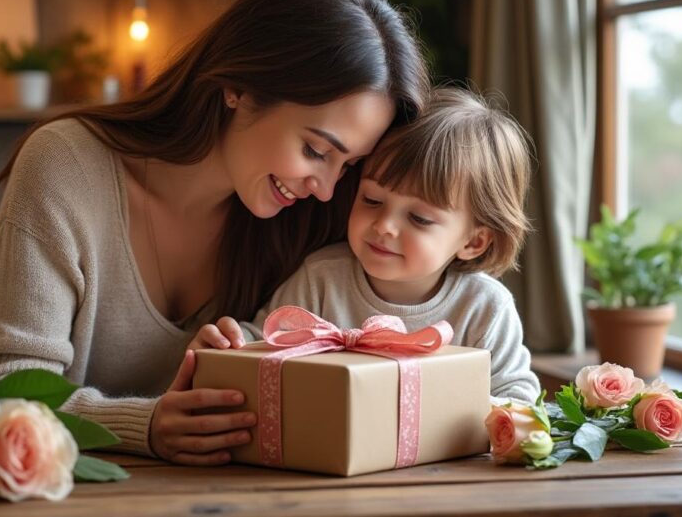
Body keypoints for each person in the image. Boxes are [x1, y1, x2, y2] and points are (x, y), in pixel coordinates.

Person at [0, 0, 430, 466]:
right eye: (315, 149)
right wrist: (146, 425)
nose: (328, 188)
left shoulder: (313, 220)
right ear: (239, 88)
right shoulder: (67, 165)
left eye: (349, 165)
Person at [192, 87, 541, 404]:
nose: (385, 226)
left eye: (418, 219)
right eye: (372, 200)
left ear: (475, 241)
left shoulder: (483, 308)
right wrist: (229, 344)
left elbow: (520, 397)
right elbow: (265, 343)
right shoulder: (323, 279)